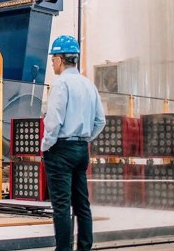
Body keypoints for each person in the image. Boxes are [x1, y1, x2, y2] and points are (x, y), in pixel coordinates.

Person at [41, 35, 105, 251]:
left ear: (60, 59)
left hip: (60, 150)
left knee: (61, 207)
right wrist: (85, 139)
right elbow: (100, 121)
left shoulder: (60, 83)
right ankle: (84, 248)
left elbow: (54, 120)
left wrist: (46, 145)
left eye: (53, 59)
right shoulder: (89, 85)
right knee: (82, 205)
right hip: (80, 150)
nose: (52, 63)